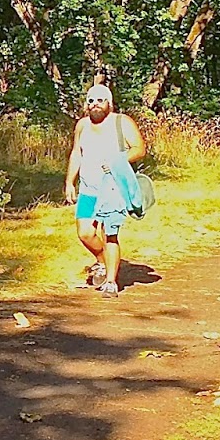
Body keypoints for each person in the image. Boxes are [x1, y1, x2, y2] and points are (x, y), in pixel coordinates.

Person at [63, 82, 146, 297]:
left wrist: (119, 160)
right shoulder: (82, 125)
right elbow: (76, 153)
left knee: (110, 234)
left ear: (109, 103)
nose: (95, 104)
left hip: (112, 190)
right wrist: (69, 182)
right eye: (91, 101)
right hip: (88, 189)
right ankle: (102, 262)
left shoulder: (122, 122)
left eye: (100, 100)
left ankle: (110, 282)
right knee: (85, 233)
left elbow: (139, 149)